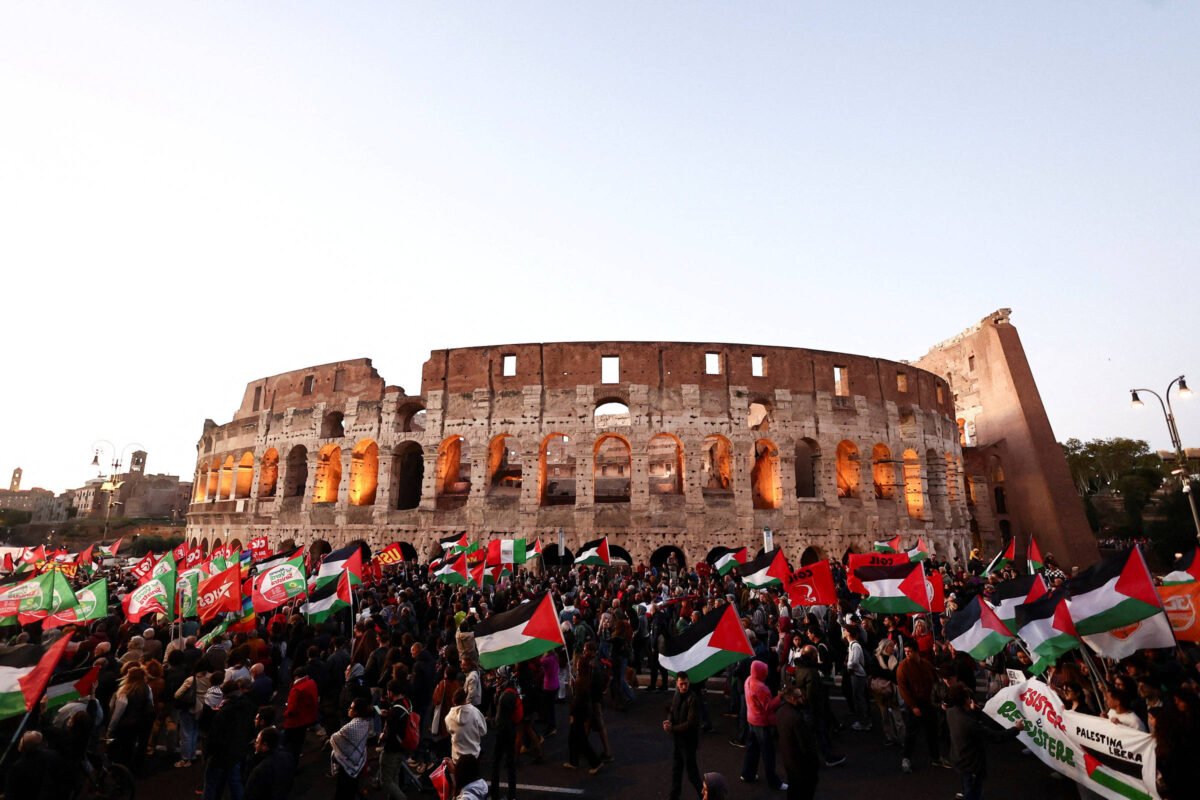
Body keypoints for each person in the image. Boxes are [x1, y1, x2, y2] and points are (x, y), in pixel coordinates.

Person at [896, 640, 944, 773]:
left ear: (916, 651)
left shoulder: (926, 664)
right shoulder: (903, 667)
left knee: (932, 731)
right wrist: (913, 706)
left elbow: (935, 680)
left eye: (909, 651)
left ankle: (935, 757)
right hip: (915, 703)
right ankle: (906, 758)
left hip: (929, 702)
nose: (907, 654)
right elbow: (903, 690)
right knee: (911, 733)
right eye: (906, 651)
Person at [204, 680, 256, 800]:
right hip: (238, 749)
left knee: (211, 784)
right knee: (235, 781)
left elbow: (215, 735)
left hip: (221, 754)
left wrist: (208, 752)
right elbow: (250, 728)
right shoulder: (248, 705)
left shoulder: (224, 712)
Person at [741, 659, 786, 790]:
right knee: (768, 753)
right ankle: (773, 782)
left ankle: (747, 774)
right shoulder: (761, 687)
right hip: (762, 722)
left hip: (751, 719)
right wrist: (779, 697)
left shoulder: (748, 680)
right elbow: (768, 707)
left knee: (752, 749)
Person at [663, 671, 703, 800]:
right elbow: (672, 710)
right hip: (678, 740)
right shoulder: (676, 694)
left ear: (689, 682)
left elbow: (690, 723)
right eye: (681, 684)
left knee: (692, 774)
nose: (684, 686)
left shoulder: (693, 698)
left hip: (688, 742)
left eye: (686, 683)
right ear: (677, 683)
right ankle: (674, 796)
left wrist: (672, 729)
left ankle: (704, 796)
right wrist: (669, 721)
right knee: (676, 771)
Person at [775, 687, 820, 800]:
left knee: (793, 786)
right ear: (792, 698)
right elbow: (805, 745)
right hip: (800, 762)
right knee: (806, 788)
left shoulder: (781, 711)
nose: (802, 698)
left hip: (788, 757)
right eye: (799, 697)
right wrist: (814, 761)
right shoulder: (796, 719)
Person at [331, 697, 375, 800]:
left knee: (342, 791)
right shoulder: (365, 722)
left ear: (356, 712)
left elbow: (334, 739)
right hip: (358, 760)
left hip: (347, 764)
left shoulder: (350, 728)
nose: (348, 709)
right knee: (352, 788)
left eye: (351, 708)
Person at [380, 679, 415, 800]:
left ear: (391, 692)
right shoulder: (407, 702)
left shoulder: (395, 711)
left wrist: (382, 737)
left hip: (392, 749)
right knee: (395, 775)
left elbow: (391, 734)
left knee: (386, 780)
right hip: (404, 745)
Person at [243, 726, 296, 800]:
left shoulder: (260, 770)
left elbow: (249, 793)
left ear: (264, 745)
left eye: (257, 742)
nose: (255, 745)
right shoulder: (288, 757)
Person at [281, 666, 319, 760]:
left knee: (288, 741)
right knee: (299, 740)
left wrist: (285, 714)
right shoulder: (311, 682)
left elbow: (291, 709)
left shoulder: (296, 690)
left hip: (295, 721)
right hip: (307, 718)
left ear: (296, 676)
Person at [445, 688, 488, 762]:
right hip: (473, 756)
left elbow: (449, 732)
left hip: (457, 758)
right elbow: (483, 731)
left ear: (453, 701)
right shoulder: (475, 712)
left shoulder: (448, 717)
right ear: (465, 699)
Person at [843, 624, 871, 731]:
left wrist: (848, 666)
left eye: (845, 630)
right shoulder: (852, 644)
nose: (844, 632)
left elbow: (854, 661)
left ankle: (864, 722)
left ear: (849, 633)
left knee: (859, 698)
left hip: (858, 675)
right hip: (856, 674)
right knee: (858, 697)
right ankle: (863, 720)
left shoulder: (855, 645)